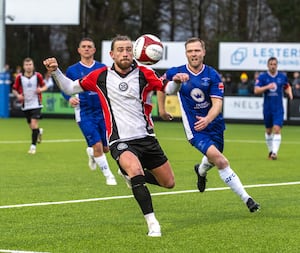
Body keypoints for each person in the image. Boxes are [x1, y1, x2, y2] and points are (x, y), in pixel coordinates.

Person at [43, 35, 182, 237]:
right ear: (112, 54)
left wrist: (176, 82)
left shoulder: (145, 73)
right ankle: (153, 224)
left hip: (146, 138)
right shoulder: (100, 76)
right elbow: (69, 88)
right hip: (120, 140)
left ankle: (126, 174)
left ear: (133, 52)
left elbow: (167, 88)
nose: (124, 53)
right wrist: (55, 71)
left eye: (128, 49)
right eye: (120, 50)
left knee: (168, 183)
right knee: (135, 172)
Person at [161, 37, 260, 213]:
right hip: (195, 129)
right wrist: (162, 109)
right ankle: (248, 199)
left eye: (197, 50)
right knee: (221, 160)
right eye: (190, 51)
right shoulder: (175, 72)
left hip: (214, 125)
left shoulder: (212, 75)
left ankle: (201, 171)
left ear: (204, 52)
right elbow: (161, 87)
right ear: (186, 53)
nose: (194, 54)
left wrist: (208, 119)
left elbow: (217, 104)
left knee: (213, 159)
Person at [62, 37, 117, 186]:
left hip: (102, 112)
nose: (86, 49)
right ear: (79, 50)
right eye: (84, 46)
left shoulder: (102, 68)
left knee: (105, 148)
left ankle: (92, 154)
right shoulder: (72, 70)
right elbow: (64, 87)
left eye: (89, 46)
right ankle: (109, 176)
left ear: (94, 50)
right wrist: (69, 98)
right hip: (84, 112)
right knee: (98, 145)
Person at [254, 57, 293, 160]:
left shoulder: (282, 76)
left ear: (277, 65)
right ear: (268, 65)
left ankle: (274, 153)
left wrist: (290, 93)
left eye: (275, 64)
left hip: (278, 108)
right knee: (268, 131)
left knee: (277, 129)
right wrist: (267, 87)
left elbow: (287, 86)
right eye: (271, 64)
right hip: (267, 108)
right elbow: (256, 90)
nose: (273, 66)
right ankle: (271, 151)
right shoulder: (262, 77)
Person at [12, 57, 48, 154]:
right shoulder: (19, 77)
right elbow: (14, 89)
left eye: (30, 65)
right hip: (25, 104)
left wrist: (41, 90)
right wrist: (18, 95)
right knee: (32, 127)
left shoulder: (38, 76)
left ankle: (33, 146)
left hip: (36, 104)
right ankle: (39, 131)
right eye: (26, 65)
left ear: (33, 66)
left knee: (34, 123)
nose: (28, 67)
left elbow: (45, 86)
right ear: (24, 66)